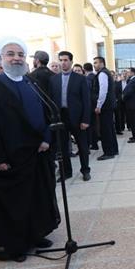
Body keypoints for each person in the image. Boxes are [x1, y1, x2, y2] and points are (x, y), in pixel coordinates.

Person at [0, 37, 60, 262]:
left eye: (20, 54)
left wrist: (46, 139)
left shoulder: (31, 82)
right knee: (15, 204)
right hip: (10, 157)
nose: (16, 58)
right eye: (11, 54)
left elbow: (46, 114)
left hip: (37, 153)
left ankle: (36, 235)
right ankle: (16, 245)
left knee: (36, 198)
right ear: (1, 59)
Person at [49, 51, 91, 182]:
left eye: (66, 60)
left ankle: (85, 170)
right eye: (61, 60)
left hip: (77, 118)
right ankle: (66, 172)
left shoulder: (80, 79)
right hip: (60, 117)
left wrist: (85, 120)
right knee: (62, 147)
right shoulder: (54, 79)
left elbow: (86, 100)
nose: (63, 63)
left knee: (82, 146)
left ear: (71, 62)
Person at [92, 57, 118, 160]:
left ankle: (108, 152)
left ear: (102, 63)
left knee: (105, 129)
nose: (94, 65)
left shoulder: (102, 74)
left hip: (105, 106)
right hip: (109, 105)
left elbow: (103, 91)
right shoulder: (106, 72)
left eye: (96, 63)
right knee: (110, 128)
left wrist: (99, 105)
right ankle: (114, 149)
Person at [122, 68, 135, 143]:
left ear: (132, 73)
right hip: (132, 104)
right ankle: (134, 136)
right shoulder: (133, 80)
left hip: (132, 104)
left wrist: (123, 97)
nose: (127, 73)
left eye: (128, 72)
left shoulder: (134, 81)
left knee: (133, 122)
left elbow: (128, 92)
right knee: (132, 121)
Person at [83, 62, 98, 150]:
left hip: (90, 105)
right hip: (95, 103)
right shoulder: (96, 76)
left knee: (90, 125)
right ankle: (94, 143)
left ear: (84, 70)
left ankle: (91, 143)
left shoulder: (87, 79)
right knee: (94, 124)